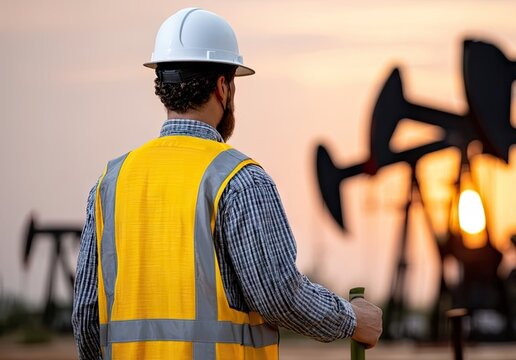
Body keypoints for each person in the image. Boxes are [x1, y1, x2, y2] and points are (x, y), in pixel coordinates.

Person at [71, 7, 382, 359]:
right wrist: (352, 320)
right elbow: (278, 295)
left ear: (162, 87)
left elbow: (86, 319)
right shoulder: (238, 180)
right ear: (223, 87)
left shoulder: (110, 183)